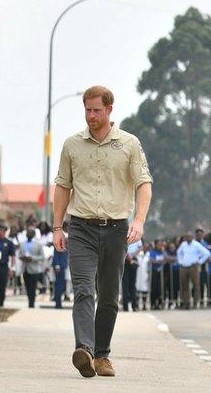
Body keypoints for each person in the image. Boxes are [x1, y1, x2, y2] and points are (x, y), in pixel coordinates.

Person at [53, 85, 153, 378]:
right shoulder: (72, 145)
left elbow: (143, 183)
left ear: (110, 109)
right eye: (88, 110)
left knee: (109, 295)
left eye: (97, 110)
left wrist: (140, 221)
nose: (92, 115)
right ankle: (83, 349)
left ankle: (102, 355)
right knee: (84, 290)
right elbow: (62, 186)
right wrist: (58, 226)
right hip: (81, 227)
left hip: (116, 229)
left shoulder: (129, 144)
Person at [177, 232, 211, 310]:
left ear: (192, 237)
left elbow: (206, 253)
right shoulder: (183, 244)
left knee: (196, 285)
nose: (188, 238)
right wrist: (180, 261)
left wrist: (200, 262)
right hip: (184, 266)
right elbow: (179, 253)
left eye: (190, 237)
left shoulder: (196, 244)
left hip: (193, 266)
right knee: (184, 285)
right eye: (187, 237)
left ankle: (195, 303)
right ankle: (186, 303)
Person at [20, 226, 48, 308]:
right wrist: (22, 257)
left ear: (33, 234)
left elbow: (42, 257)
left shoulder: (38, 244)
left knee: (32, 287)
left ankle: (31, 303)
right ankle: (30, 300)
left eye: (30, 232)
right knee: (27, 286)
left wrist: (32, 258)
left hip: (34, 269)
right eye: (27, 232)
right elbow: (19, 254)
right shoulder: (22, 243)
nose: (28, 234)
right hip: (25, 268)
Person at [0, 223, 16, 308]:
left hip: (3, 266)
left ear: (4, 231)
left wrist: (12, 268)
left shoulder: (9, 243)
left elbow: (13, 256)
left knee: (2, 285)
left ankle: (1, 301)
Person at [53, 221, 70, 308]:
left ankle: (59, 301)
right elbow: (56, 252)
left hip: (67, 264)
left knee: (64, 284)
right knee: (59, 284)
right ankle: (57, 303)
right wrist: (57, 265)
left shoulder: (69, 236)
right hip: (60, 264)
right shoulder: (61, 236)